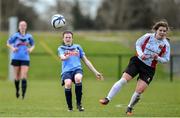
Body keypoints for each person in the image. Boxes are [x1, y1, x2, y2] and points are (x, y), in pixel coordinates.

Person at [99, 20, 170, 115]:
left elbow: (166, 59)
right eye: (160, 30)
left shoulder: (166, 44)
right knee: (123, 80)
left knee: (139, 91)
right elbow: (137, 44)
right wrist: (141, 54)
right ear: (156, 30)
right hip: (137, 62)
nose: (162, 32)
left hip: (149, 68)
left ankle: (129, 108)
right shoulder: (148, 36)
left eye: (164, 31)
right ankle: (107, 98)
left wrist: (158, 58)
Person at [58, 31, 103, 112]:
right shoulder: (61, 48)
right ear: (63, 39)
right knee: (68, 84)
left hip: (77, 69)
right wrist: (65, 57)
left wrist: (95, 72)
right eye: (66, 37)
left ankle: (79, 104)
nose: (68, 39)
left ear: (72, 38)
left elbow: (86, 61)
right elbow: (61, 57)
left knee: (78, 78)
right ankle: (70, 107)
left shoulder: (77, 47)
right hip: (66, 71)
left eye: (69, 37)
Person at [7, 20, 35, 99]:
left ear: (26, 27)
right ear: (19, 27)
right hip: (16, 57)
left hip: (25, 58)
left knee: (23, 75)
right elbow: (8, 43)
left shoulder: (29, 36)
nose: (22, 27)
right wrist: (13, 48)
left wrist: (30, 49)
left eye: (24, 25)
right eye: (21, 25)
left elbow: (33, 45)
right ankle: (17, 90)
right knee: (17, 76)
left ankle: (23, 94)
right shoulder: (15, 35)